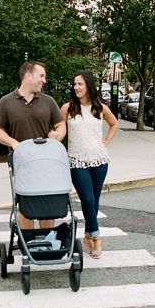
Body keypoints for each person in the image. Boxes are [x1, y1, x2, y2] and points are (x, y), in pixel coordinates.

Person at [0, 59, 66, 229]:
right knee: (26, 204)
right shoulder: (6, 102)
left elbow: (60, 125)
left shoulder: (48, 101)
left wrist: (56, 135)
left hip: (47, 161)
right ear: (28, 76)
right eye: (41, 76)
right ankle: (28, 239)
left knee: (47, 202)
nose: (44, 80)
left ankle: (47, 238)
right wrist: (14, 143)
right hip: (22, 162)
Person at [60, 70, 119, 258]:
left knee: (94, 200)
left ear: (89, 86)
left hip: (99, 160)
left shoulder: (100, 108)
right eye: (74, 84)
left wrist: (106, 141)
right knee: (87, 199)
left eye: (80, 84)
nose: (76, 87)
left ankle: (87, 236)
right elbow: (59, 129)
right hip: (77, 161)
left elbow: (114, 124)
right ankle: (96, 237)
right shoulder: (67, 108)